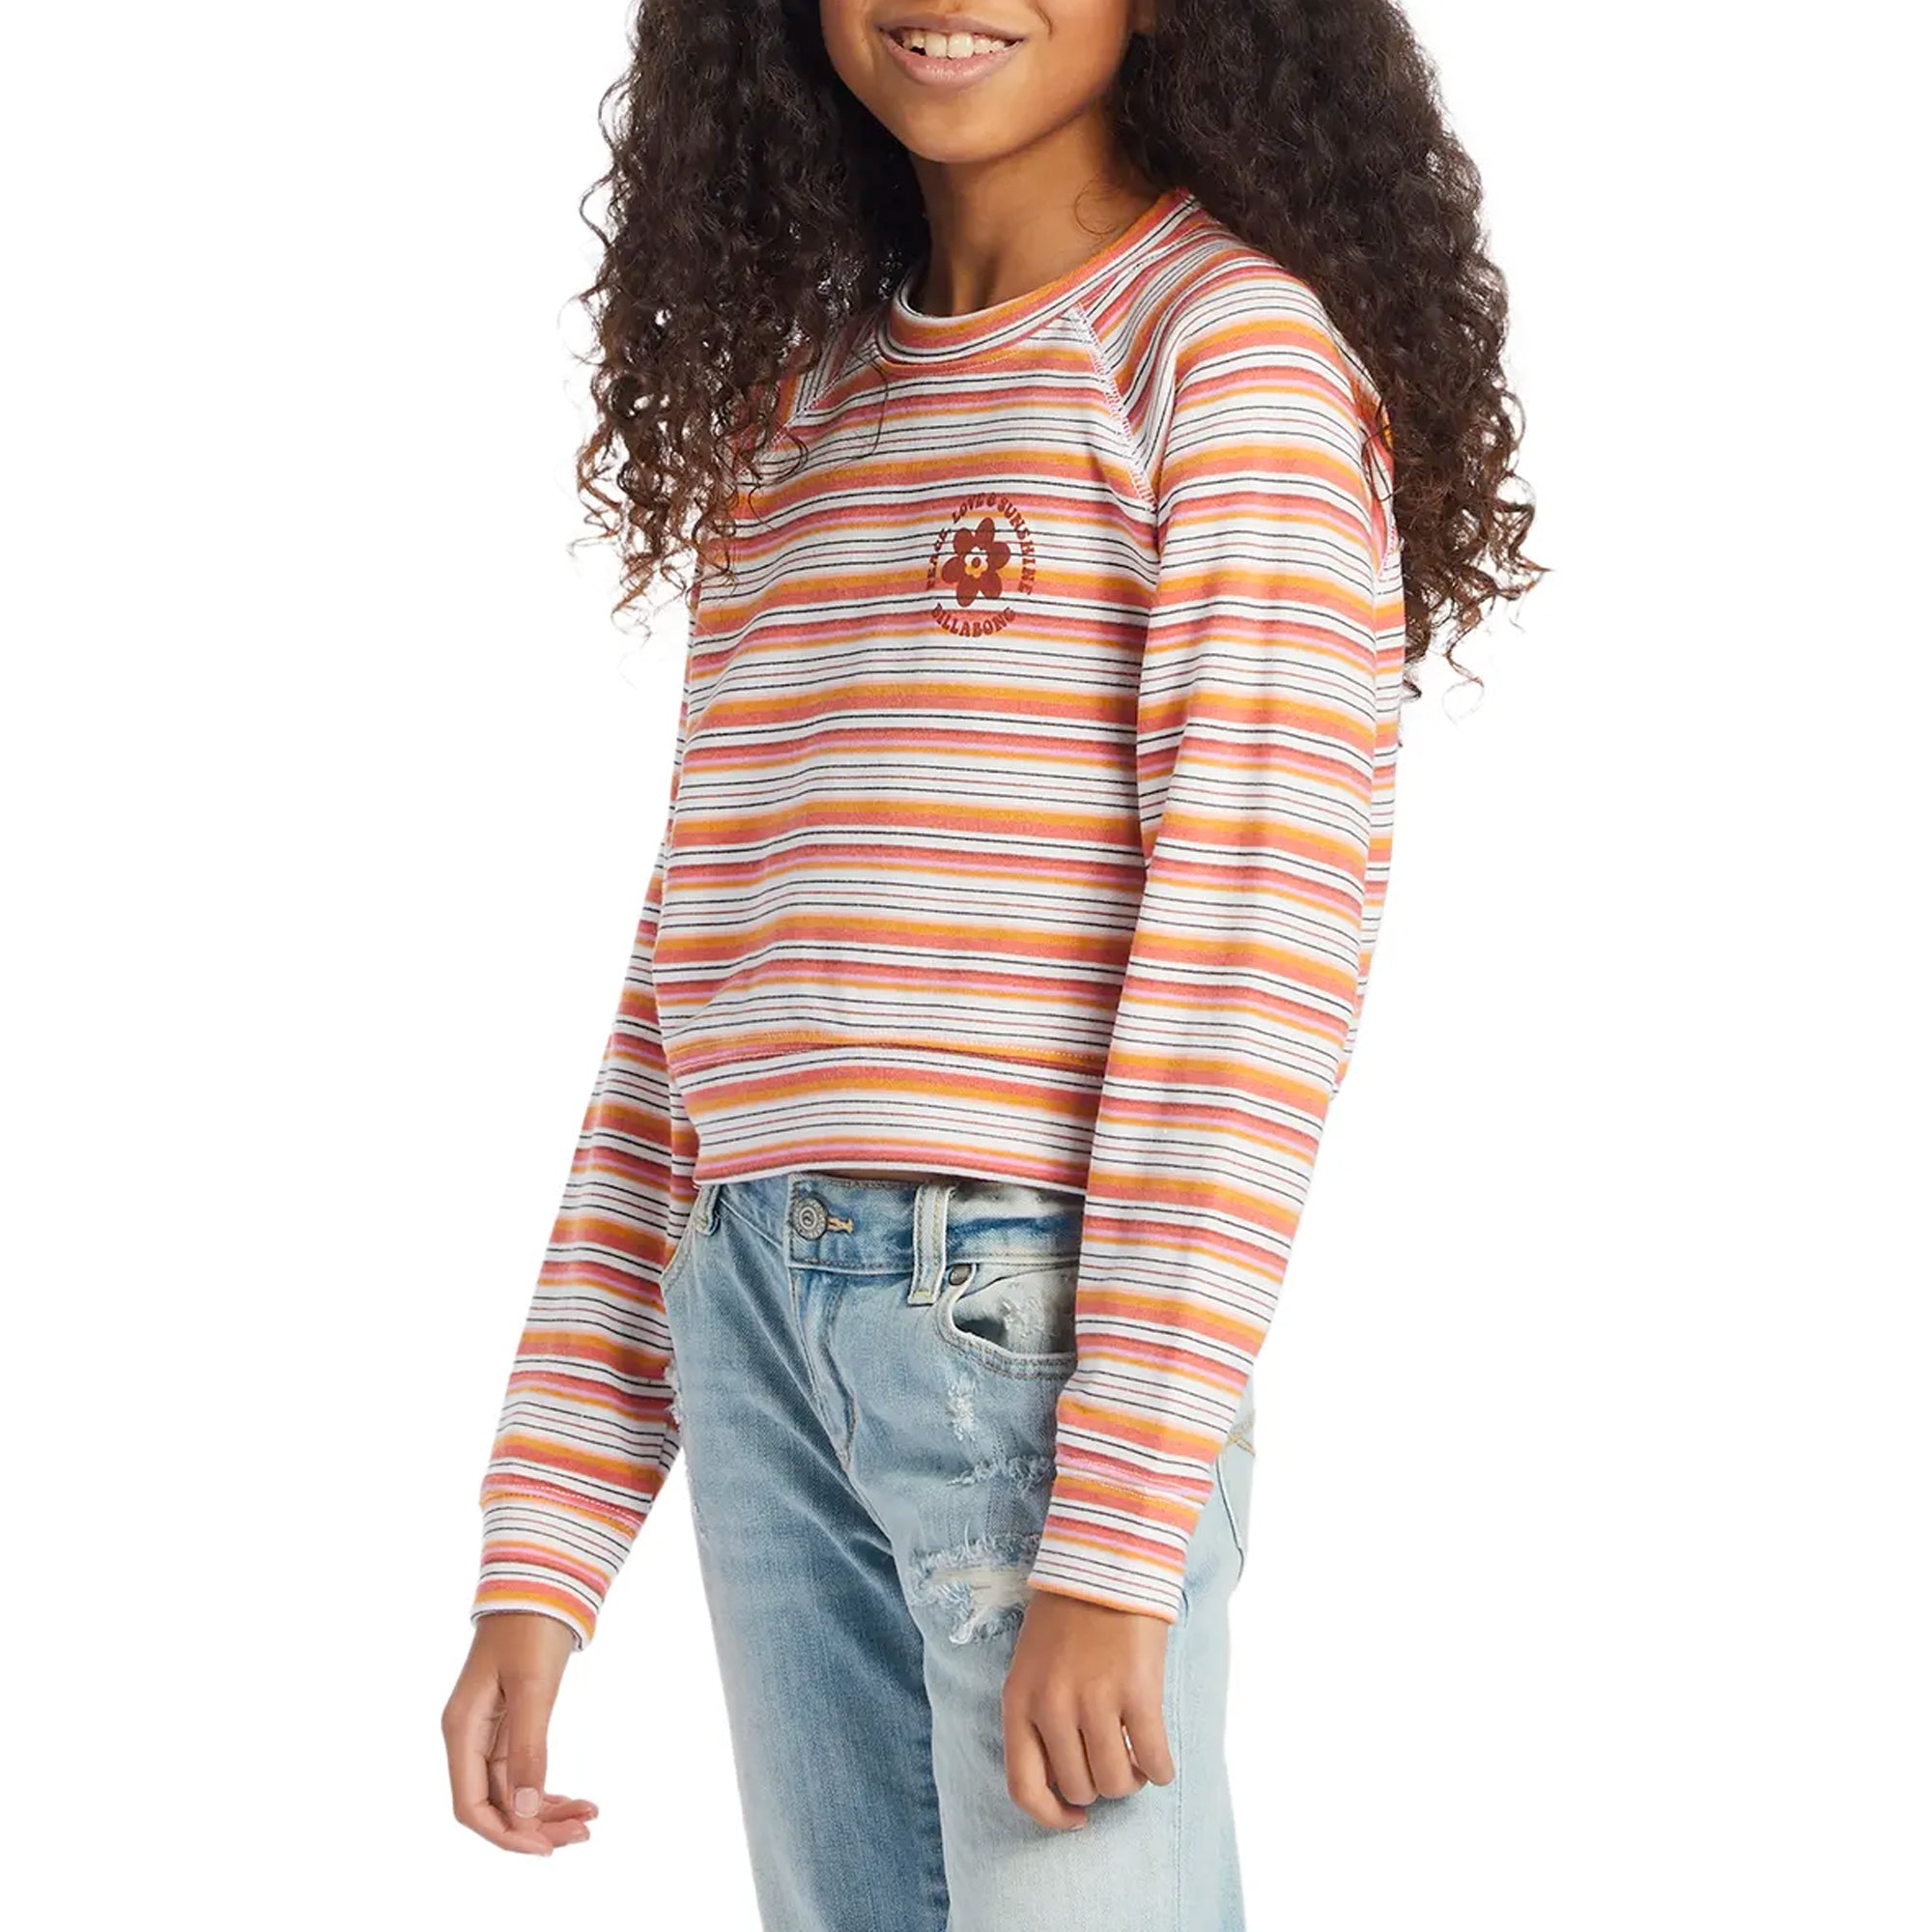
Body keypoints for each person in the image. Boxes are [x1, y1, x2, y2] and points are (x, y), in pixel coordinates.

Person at [441, 2, 1544, 1924]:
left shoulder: (1223, 358)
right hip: (748, 1313)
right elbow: (692, 985)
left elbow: (1250, 964)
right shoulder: (798, 409)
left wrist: (1115, 1535)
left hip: (1030, 1326)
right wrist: (546, 1527)